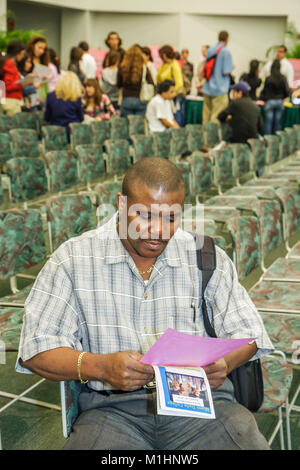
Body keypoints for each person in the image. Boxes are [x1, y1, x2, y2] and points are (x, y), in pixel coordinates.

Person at [16, 156, 273, 450]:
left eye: (171, 218)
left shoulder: (205, 256)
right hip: (112, 412)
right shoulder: (73, 260)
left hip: (203, 407)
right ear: (122, 204)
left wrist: (226, 363)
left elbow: (251, 335)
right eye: (146, 216)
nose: (159, 232)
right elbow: (36, 349)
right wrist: (100, 367)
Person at [202, 31, 233, 124]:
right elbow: (226, 72)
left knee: (206, 117)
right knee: (216, 117)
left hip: (207, 88)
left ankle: (205, 137)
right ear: (227, 39)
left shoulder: (210, 50)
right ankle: (213, 138)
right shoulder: (226, 52)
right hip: (220, 89)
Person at [44, 71, 84, 140]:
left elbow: (47, 118)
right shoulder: (77, 98)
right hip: (73, 134)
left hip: (55, 133)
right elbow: (81, 118)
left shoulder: (50, 96)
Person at [117, 45, 154, 117]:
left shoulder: (122, 68)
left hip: (126, 100)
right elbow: (151, 83)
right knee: (139, 126)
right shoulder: (144, 68)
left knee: (127, 125)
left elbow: (118, 84)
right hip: (141, 99)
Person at [0, 40, 32, 115]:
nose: (23, 56)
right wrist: (25, 83)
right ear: (18, 52)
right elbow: (8, 86)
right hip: (11, 101)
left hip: (5, 100)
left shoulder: (4, 62)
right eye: (23, 53)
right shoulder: (9, 63)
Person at [260, 59, 290, 135]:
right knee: (278, 123)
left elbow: (264, 91)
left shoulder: (268, 78)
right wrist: (283, 97)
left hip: (269, 102)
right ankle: (276, 141)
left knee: (268, 123)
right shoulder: (283, 78)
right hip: (279, 101)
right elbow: (287, 91)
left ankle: (268, 141)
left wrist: (263, 98)